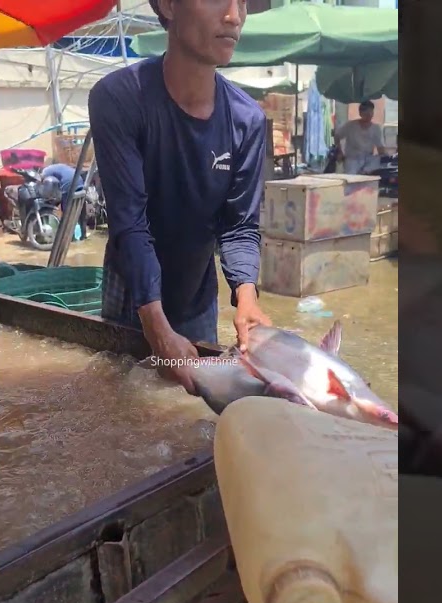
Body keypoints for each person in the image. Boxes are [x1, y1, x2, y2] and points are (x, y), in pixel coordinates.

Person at [87, 0, 273, 394]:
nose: (234, 16)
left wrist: (246, 298)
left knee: (189, 416)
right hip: (131, 292)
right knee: (123, 403)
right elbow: (130, 221)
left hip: (197, 291)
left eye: (242, 2)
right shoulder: (119, 98)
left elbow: (239, 225)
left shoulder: (247, 120)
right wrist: (155, 325)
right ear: (169, 5)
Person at [334, 100, 387, 176]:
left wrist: (385, 157)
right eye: (366, 113)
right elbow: (337, 136)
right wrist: (339, 152)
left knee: (376, 162)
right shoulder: (350, 125)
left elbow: (380, 147)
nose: (369, 115)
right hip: (352, 159)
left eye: (371, 112)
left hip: (368, 160)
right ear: (360, 113)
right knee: (351, 180)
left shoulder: (376, 128)